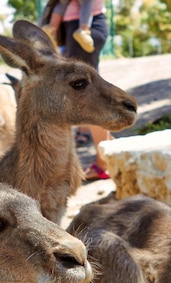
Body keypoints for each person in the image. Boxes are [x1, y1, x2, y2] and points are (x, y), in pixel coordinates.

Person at [62, 0, 113, 181]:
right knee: (85, 95)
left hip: (83, 28)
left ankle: (104, 164)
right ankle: (112, 155)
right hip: (79, 28)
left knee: (88, 97)